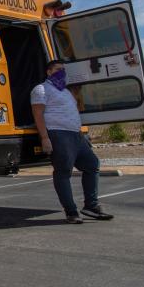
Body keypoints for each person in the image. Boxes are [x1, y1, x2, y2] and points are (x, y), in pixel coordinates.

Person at [31, 60, 114, 224]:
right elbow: (38, 115)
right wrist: (45, 138)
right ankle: (71, 212)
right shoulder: (41, 89)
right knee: (63, 171)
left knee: (92, 164)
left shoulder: (66, 91)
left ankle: (91, 206)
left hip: (76, 135)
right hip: (58, 134)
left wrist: (83, 136)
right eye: (57, 69)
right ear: (49, 72)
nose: (61, 72)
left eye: (63, 69)